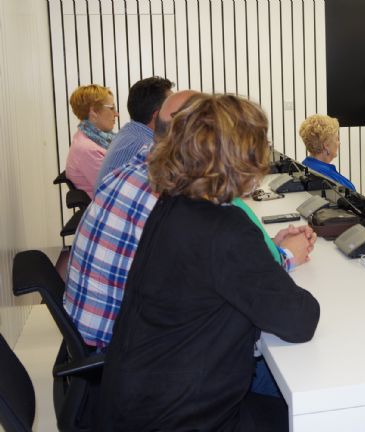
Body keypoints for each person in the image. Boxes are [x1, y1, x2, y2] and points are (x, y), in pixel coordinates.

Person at [95, 93, 320, 431]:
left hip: (139, 401)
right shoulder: (223, 230)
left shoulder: (173, 205)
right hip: (182, 416)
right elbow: (300, 319)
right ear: (241, 156)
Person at [64, 90, 315, 350]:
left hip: (110, 345)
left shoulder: (135, 175)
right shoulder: (194, 211)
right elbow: (296, 318)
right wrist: (282, 255)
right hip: (132, 351)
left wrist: (265, 247)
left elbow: (217, 262)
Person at [95, 76, 173, 187]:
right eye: (174, 112)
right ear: (157, 115)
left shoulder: (129, 132)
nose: (179, 117)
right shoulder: (147, 147)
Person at [65, 84, 119, 197]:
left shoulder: (94, 139)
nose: (116, 114)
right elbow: (116, 190)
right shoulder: (87, 150)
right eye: (112, 108)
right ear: (94, 112)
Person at [299, 114, 355, 191]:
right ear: (326, 146)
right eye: (337, 139)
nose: (339, 143)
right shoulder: (341, 184)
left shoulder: (303, 166)